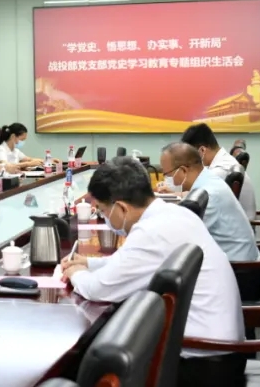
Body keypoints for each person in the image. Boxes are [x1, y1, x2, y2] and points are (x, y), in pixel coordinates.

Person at [61, 159, 245, 386]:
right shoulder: (173, 214)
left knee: (90, 364)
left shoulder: (151, 232)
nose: (103, 217)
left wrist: (75, 274)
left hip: (203, 364)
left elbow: (99, 289)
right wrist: (88, 264)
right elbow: (128, 262)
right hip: (220, 353)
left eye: (103, 210)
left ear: (121, 208)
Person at [157, 143, 259, 263]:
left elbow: (182, 238)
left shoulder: (208, 194)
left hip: (239, 265)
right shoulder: (208, 179)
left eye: (167, 175)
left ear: (183, 170)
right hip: (235, 256)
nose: (166, 179)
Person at [181, 124, 257, 220]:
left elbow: (199, 199)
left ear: (202, 150)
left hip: (237, 224)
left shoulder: (221, 170)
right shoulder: (223, 161)